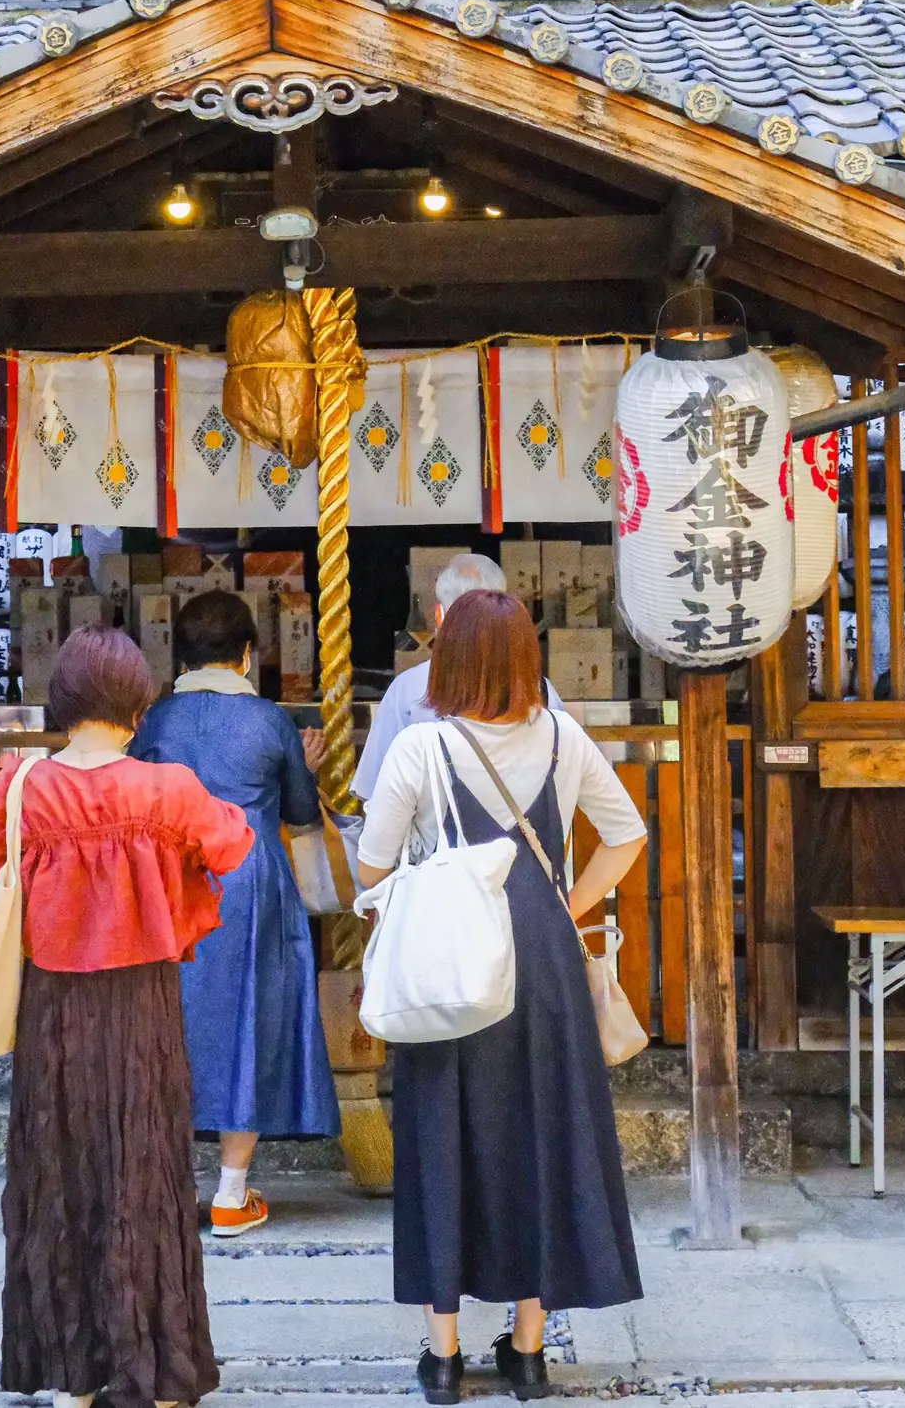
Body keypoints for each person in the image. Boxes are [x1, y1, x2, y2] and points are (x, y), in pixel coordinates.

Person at [357, 590, 646, 1405]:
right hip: (545, 960)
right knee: (542, 1139)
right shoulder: (564, 736)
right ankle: (527, 1351)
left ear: (447, 661)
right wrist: (566, 904)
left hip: (451, 963)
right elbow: (626, 835)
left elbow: (370, 870)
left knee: (440, 1140)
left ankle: (443, 1359)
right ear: (527, 658)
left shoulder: (422, 747)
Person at [0, 626, 254, 1408]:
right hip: (142, 1009)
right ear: (138, 701)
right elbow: (232, 844)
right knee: (143, 1171)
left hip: (53, 1010)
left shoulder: (20, 787)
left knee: (58, 1171)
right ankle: (155, 1366)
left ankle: (73, 1371)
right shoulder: (166, 788)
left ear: (64, 702)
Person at [132, 589, 340, 1236]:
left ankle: (161, 1188)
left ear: (181, 656)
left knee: (167, 1024)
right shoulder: (270, 722)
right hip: (248, 877)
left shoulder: (155, 723)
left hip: (170, 881)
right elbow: (303, 816)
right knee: (251, 1021)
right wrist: (296, 771)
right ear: (248, 653)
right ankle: (230, 1192)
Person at [352, 554, 564, 805]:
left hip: (440, 840)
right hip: (527, 836)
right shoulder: (538, 689)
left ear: (440, 616)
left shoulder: (408, 690)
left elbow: (376, 791)